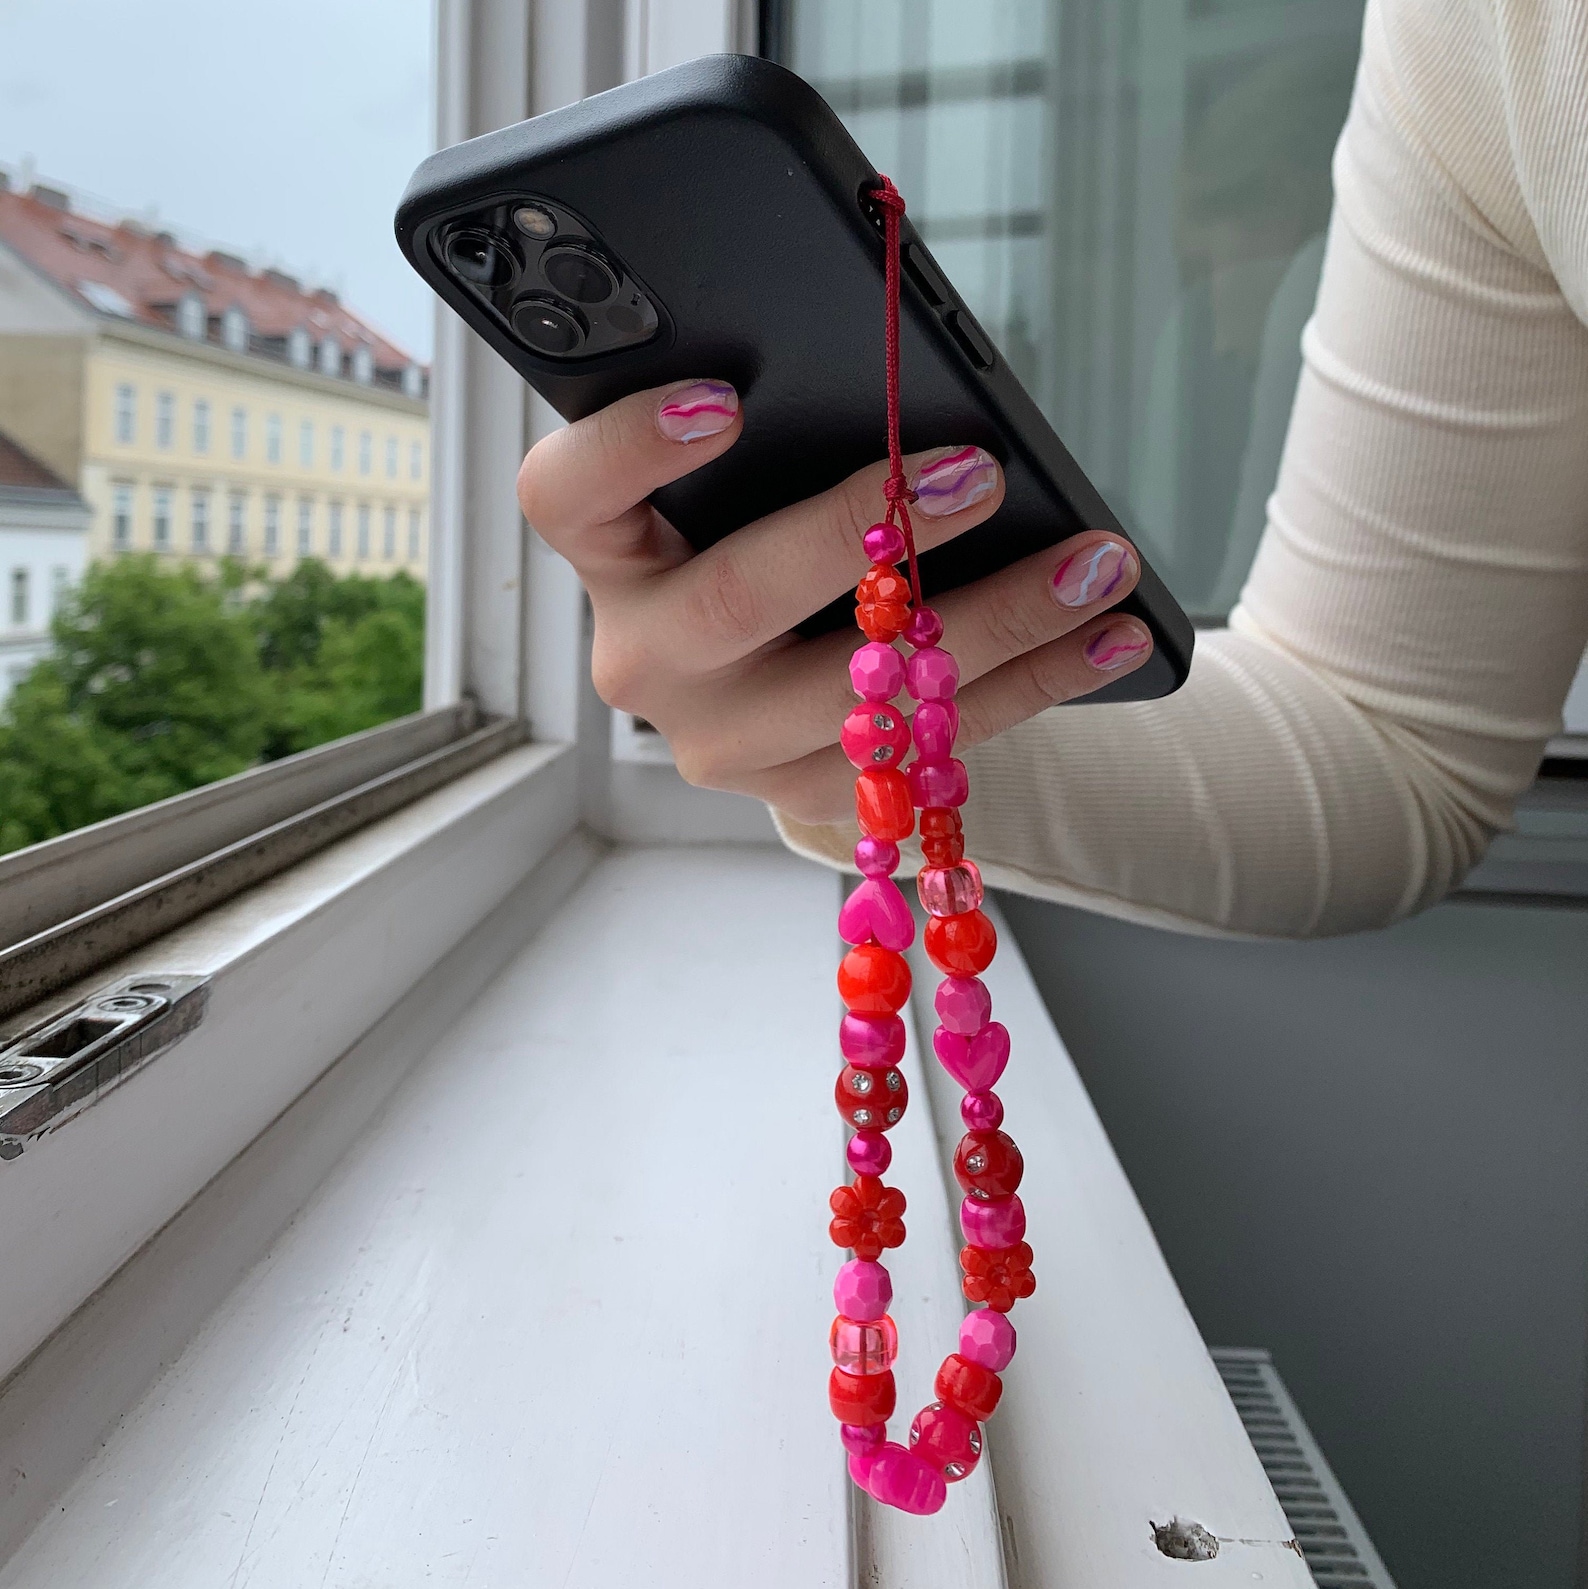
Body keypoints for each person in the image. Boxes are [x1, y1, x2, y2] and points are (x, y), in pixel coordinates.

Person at [516, 0, 1588, 939]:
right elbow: (1386, 747)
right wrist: (869, 716)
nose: (1210, 272)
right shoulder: (1469, 32)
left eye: (1221, 222)